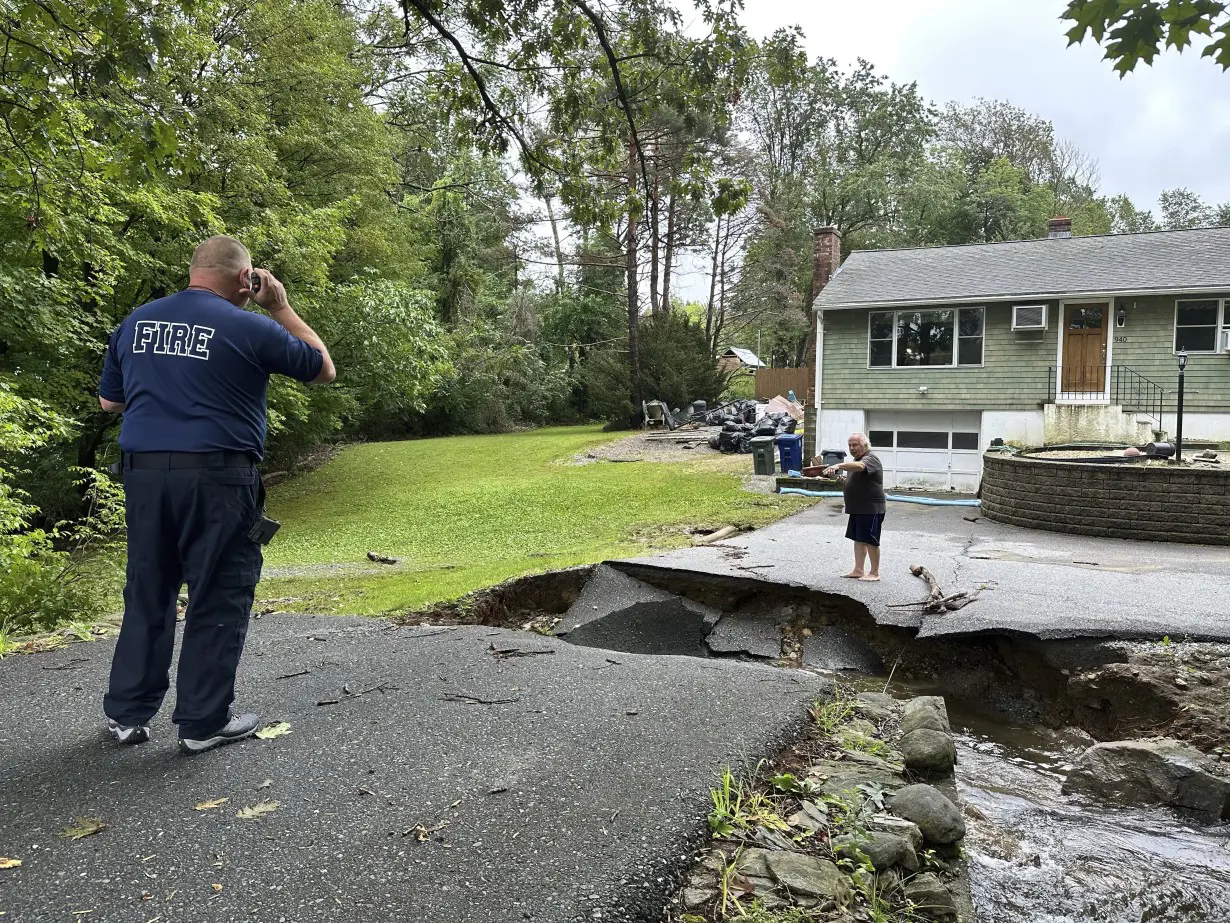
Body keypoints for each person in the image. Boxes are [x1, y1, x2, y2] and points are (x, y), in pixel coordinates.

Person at [98, 236, 336, 753]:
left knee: (148, 588)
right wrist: (281, 305)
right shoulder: (250, 325)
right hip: (218, 477)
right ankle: (202, 723)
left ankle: (127, 715)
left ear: (195, 271)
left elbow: (109, 402)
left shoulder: (135, 323)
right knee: (219, 590)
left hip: (142, 476)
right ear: (244, 278)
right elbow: (322, 367)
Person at [823, 432, 886, 582]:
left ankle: (875, 573)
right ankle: (858, 570)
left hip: (871, 508)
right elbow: (857, 480)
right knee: (859, 539)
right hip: (858, 508)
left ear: (864, 445)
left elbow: (861, 467)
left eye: (855, 445)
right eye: (850, 445)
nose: (851, 448)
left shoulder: (870, 458)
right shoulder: (856, 460)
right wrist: (844, 480)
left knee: (871, 540)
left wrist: (838, 465)